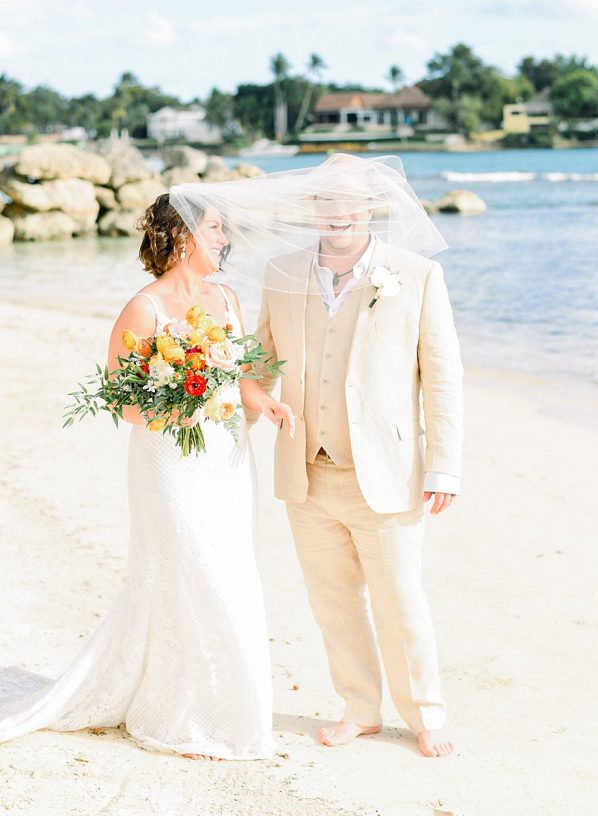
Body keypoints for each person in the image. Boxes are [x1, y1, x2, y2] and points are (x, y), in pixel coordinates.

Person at [170, 155, 464, 759]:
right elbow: (257, 364)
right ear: (311, 209)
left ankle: (426, 713)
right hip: (306, 470)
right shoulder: (281, 272)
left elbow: (441, 378)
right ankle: (360, 709)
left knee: (400, 600)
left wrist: (444, 465)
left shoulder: (415, 275)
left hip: (388, 474)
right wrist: (214, 426)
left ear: (371, 207)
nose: (337, 213)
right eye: (325, 202)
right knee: (332, 601)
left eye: (348, 202)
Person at [0, 194, 292, 761]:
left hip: (227, 458)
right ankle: (184, 711)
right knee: (192, 571)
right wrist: (180, 403)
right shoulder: (144, 308)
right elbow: (121, 400)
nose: (224, 239)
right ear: (182, 234)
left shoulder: (227, 299)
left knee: (228, 569)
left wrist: (266, 401)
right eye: (215, 228)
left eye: (225, 230)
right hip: (169, 463)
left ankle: (224, 706)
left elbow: (238, 376)